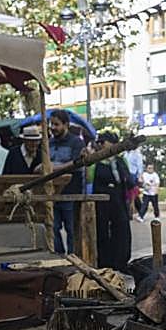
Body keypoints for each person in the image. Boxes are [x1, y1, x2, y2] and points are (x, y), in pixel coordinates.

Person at [87, 130, 133, 271]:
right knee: (102, 231)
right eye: (99, 143)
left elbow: (129, 182)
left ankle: (121, 262)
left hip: (119, 201)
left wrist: (131, 201)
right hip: (101, 203)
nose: (101, 145)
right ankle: (105, 264)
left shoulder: (121, 161)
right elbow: (89, 183)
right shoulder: (94, 162)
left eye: (104, 142)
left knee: (122, 229)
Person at [48, 110, 86, 254]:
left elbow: (76, 164)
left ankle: (73, 257)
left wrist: (53, 168)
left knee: (72, 229)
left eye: (56, 124)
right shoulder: (49, 143)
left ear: (66, 125)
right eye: (51, 124)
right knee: (53, 227)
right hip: (52, 194)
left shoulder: (76, 142)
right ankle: (59, 256)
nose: (53, 127)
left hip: (71, 193)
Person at [124, 144, 145, 220]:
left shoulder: (137, 154)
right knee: (128, 194)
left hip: (133, 175)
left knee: (133, 194)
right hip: (126, 174)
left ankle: (140, 211)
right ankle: (132, 213)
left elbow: (140, 165)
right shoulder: (125, 153)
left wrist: (140, 176)